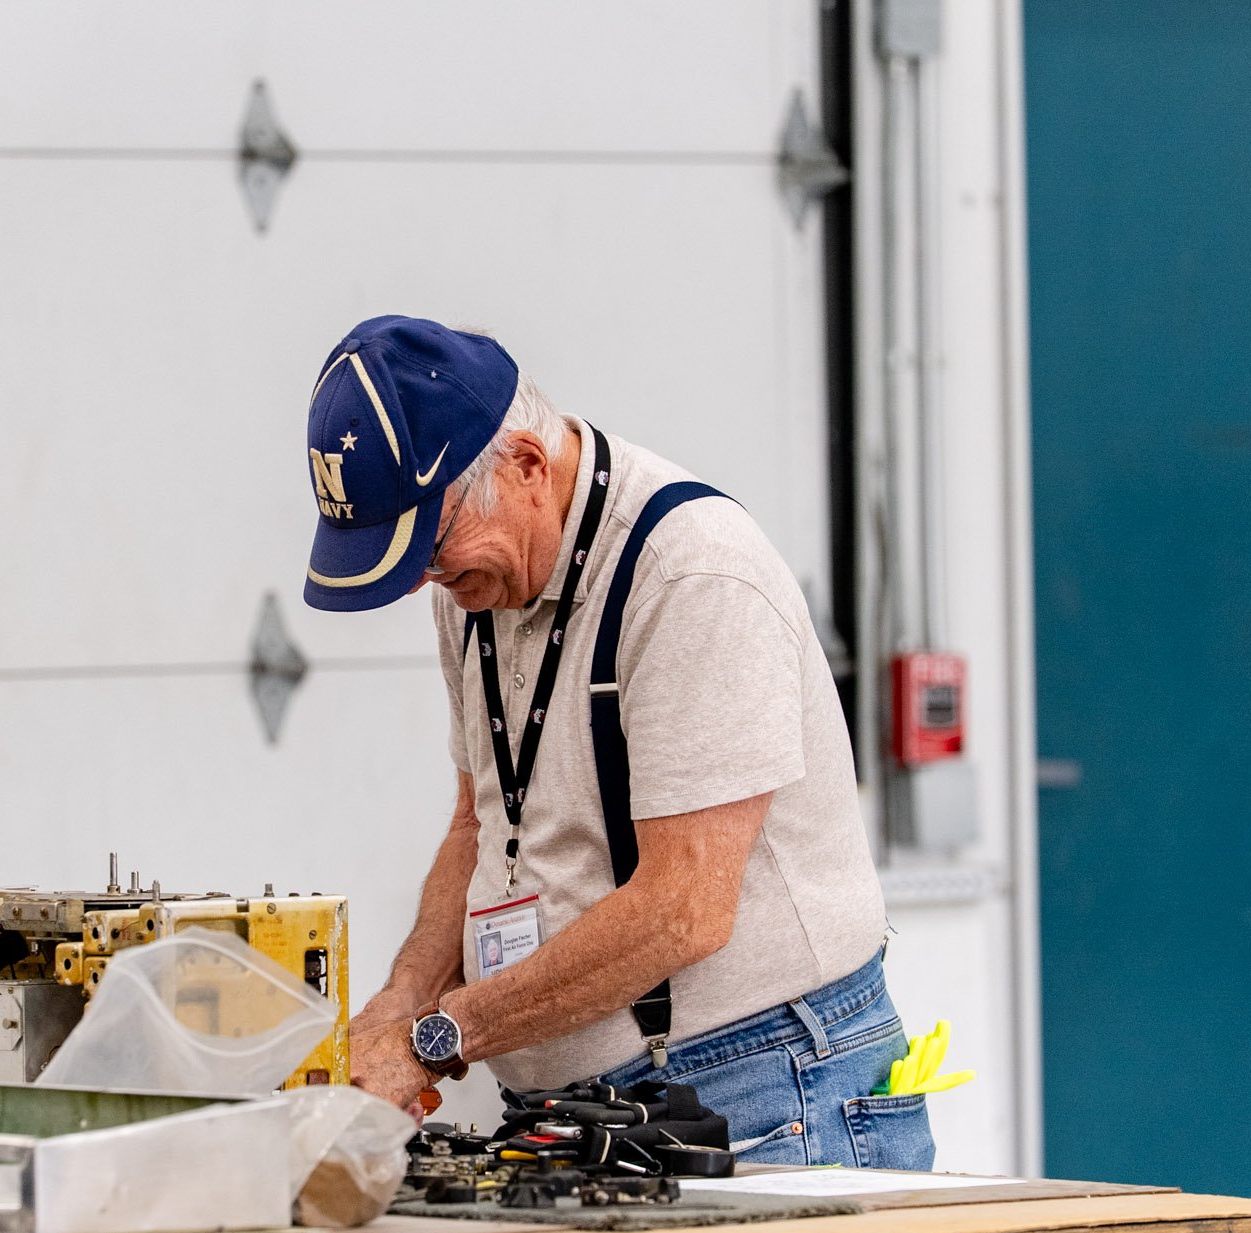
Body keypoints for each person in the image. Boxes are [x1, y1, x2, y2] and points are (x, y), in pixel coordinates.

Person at [299, 315, 933, 1168]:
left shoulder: (689, 574)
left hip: (759, 1091)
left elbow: (684, 908)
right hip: (571, 1112)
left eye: (431, 542)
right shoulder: (475, 587)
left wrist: (439, 1035)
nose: (424, 579)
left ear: (524, 464)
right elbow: (477, 828)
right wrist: (396, 1006)